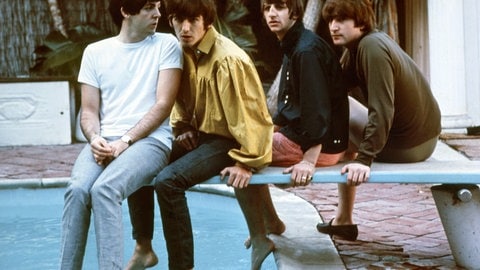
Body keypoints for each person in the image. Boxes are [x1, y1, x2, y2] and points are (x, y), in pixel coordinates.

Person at [127, 0, 274, 269]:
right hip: (201, 135)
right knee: (139, 161)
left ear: (207, 21)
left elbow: (253, 118)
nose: (185, 28)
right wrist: (181, 127)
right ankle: (143, 247)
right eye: (178, 20)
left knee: (168, 182)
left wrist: (245, 162)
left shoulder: (227, 59)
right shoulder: (183, 50)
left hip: (229, 141)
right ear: (170, 20)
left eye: (193, 20)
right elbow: (178, 100)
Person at [59, 0, 183, 268]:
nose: (158, 13)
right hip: (105, 141)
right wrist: (95, 139)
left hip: (151, 141)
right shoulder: (95, 52)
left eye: (158, 6)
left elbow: (163, 105)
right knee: (78, 190)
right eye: (150, 7)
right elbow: (89, 112)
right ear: (127, 11)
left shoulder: (166, 45)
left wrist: (125, 141)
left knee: (105, 190)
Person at [236, 0, 350, 268]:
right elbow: (293, 108)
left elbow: (318, 112)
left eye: (280, 6)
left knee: (236, 156)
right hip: (310, 137)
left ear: (295, 12)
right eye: (267, 8)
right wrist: (267, 130)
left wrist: (309, 160)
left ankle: (261, 234)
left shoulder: (305, 51)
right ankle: (271, 222)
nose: (272, 13)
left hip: (318, 145)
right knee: (246, 144)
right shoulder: (295, 43)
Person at [317, 0, 441, 241]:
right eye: (331, 20)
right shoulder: (360, 46)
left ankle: (344, 217)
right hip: (419, 138)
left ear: (360, 22)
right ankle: (343, 220)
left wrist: (364, 159)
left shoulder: (372, 48)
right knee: (341, 105)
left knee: (344, 109)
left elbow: (382, 109)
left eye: (341, 20)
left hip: (410, 145)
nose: (333, 26)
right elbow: (337, 88)